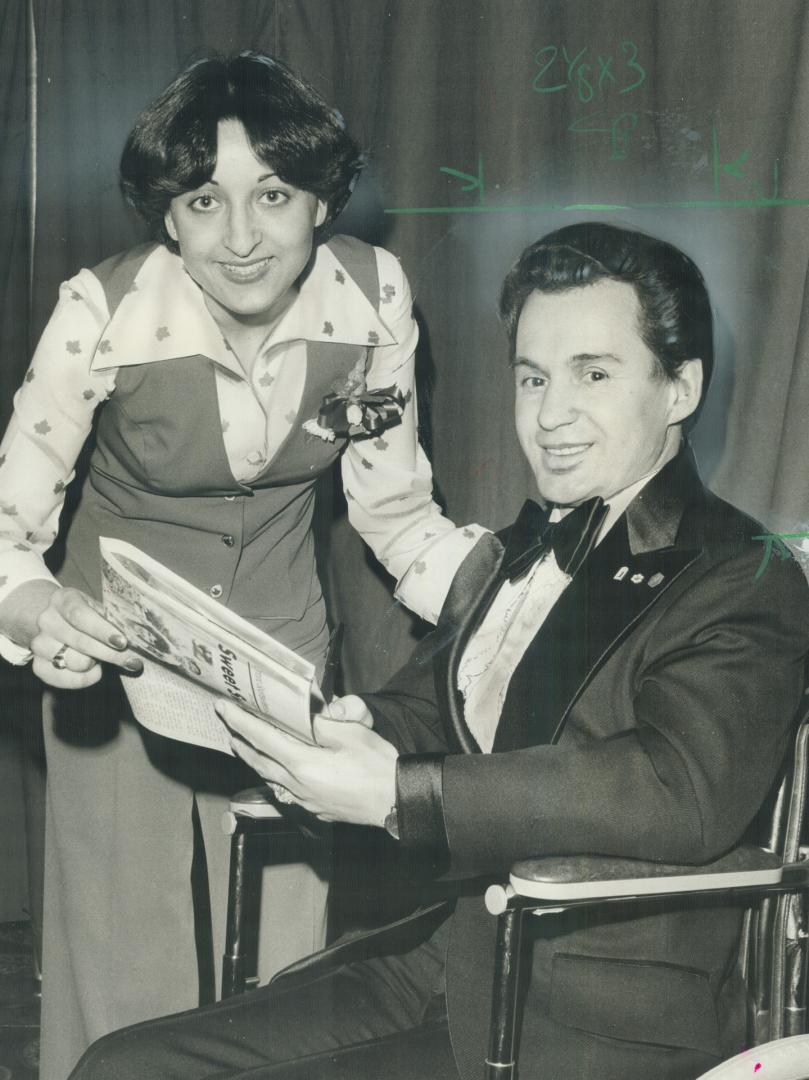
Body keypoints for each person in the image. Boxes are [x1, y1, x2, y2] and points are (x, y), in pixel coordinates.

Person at [67, 221, 809, 1080]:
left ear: (680, 388)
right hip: (447, 955)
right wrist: (330, 724)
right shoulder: (511, 552)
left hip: (586, 1019)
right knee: (123, 1066)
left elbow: (677, 789)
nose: (550, 414)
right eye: (532, 377)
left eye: (593, 375)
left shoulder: (740, 573)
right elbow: (426, 710)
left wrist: (397, 792)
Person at [0, 53, 487, 1080]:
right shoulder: (100, 312)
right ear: (166, 216)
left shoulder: (372, 296)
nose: (238, 235)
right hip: (111, 664)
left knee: (288, 973)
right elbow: (7, 525)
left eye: (271, 193)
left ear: (319, 199)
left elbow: (393, 508)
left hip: (280, 660)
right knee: (122, 973)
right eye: (202, 199)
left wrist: (496, 593)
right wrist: (40, 610)